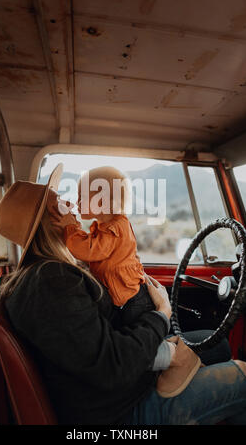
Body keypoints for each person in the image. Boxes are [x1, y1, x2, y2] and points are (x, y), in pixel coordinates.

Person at [0, 165, 246, 425]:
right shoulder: (50, 282)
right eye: (61, 204)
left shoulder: (54, 273)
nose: (72, 205)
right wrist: (161, 315)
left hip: (115, 383)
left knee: (215, 344)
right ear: (49, 222)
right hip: (119, 410)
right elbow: (112, 364)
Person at [49, 165, 200, 394]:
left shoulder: (116, 228)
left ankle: (174, 360)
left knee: (135, 333)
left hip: (132, 299)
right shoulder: (103, 226)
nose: (77, 203)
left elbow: (88, 250)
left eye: (82, 197)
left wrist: (69, 227)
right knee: (129, 334)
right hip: (123, 296)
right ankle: (164, 353)